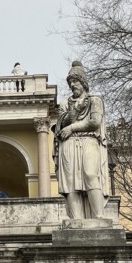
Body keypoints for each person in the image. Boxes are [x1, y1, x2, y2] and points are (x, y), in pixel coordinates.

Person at [54, 61, 109, 220]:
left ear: (83, 82)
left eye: (75, 81)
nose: (72, 85)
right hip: (68, 143)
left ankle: (99, 217)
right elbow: (62, 124)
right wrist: (76, 110)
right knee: (70, 182)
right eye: (70, 82)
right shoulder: (65, 104)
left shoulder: (95, 100)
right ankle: (76, 220)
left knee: (90, 174)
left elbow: (95, 122)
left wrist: (72, 128)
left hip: (89, 140)